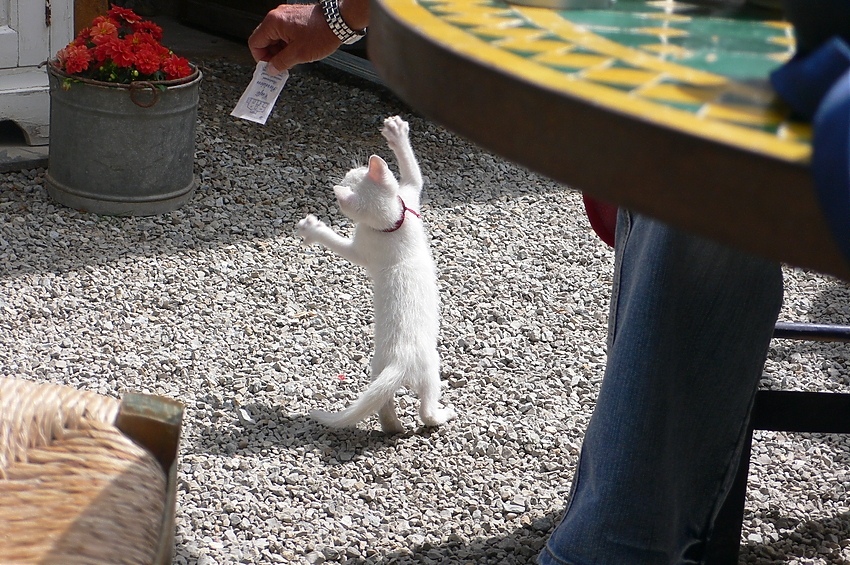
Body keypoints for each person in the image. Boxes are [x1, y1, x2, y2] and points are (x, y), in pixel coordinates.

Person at [247, 2, 785, 562]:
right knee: (691, 160)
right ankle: (620, 527)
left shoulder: (389, 215)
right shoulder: (396, 214)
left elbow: (388, 203)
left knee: (692, 164)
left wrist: (340, 17)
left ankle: (618, 540)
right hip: (767, 73)